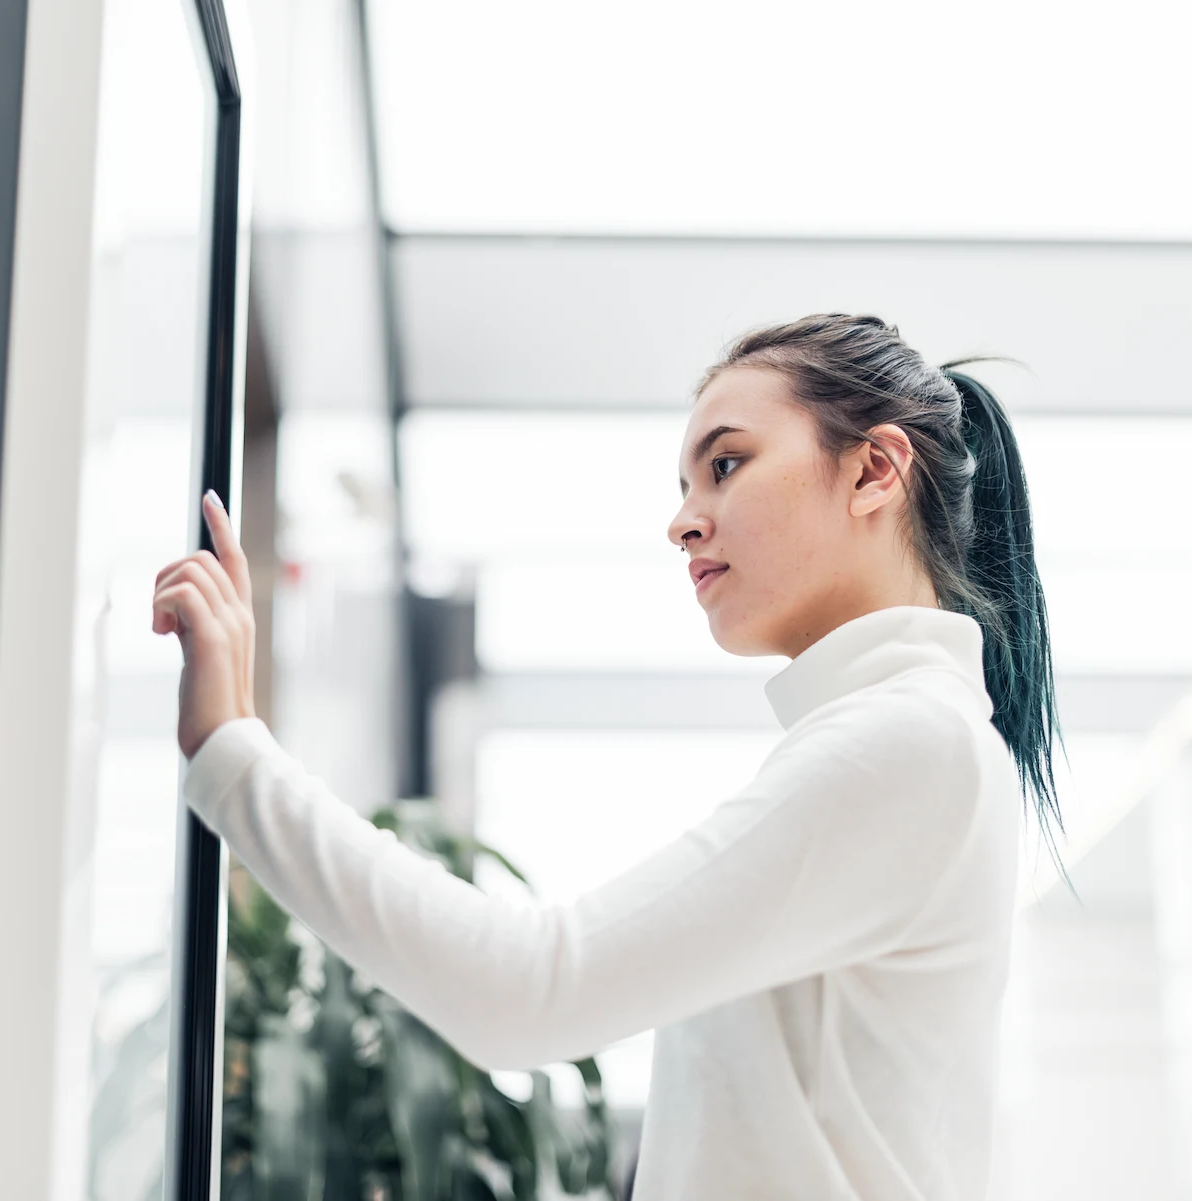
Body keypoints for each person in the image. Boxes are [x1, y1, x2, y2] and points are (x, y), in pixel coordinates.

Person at [152, 313, 1063, 1200]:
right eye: (684, 485)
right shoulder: (911, 738)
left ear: (874, 470)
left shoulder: (906, 743)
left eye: (726, 464)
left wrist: (231, 751)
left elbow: (530, 989)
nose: (683, 522)